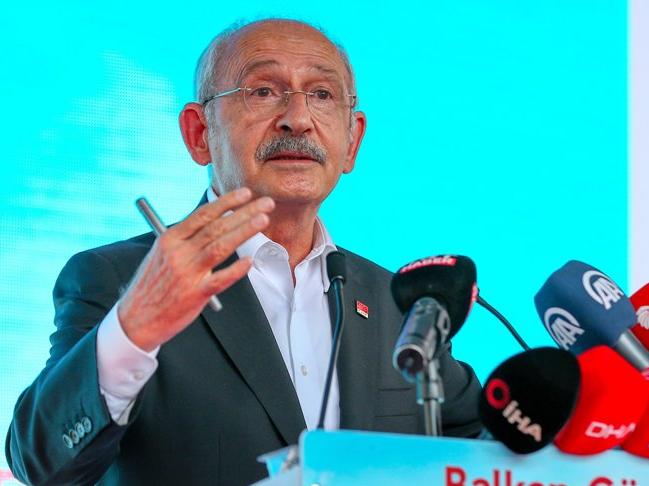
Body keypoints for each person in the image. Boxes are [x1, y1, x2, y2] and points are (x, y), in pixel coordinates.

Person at [6, 18, 482, 485]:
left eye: (321, 94)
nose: (298, 119)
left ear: (352, 140)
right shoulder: (120, 279)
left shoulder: (397, 302)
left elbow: (480, 444)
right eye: (263, 91)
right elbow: (42, 466)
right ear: (199, 134)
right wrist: (133, 330)